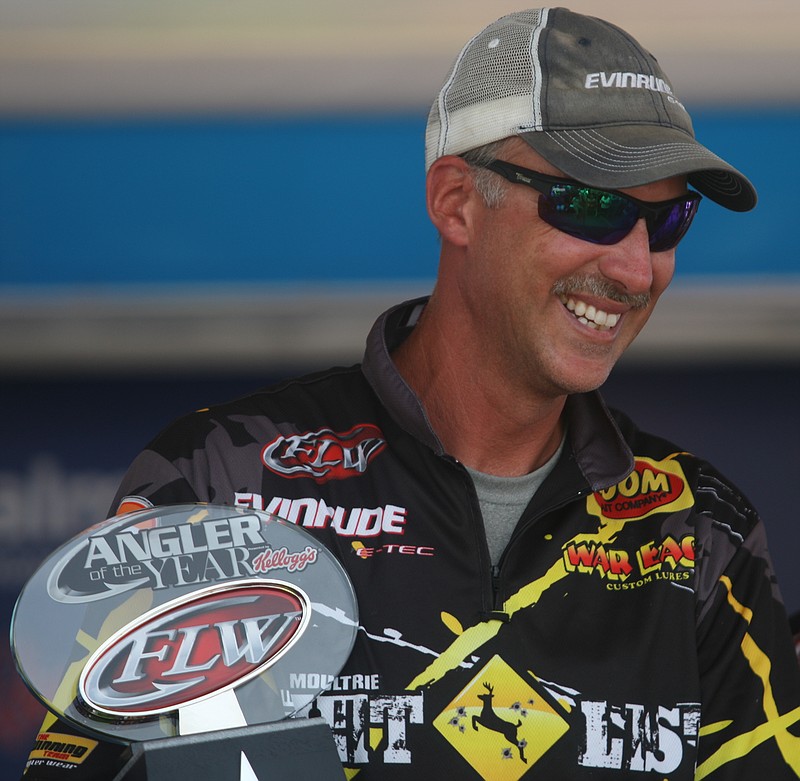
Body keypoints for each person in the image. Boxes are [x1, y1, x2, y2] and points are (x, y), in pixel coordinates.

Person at [20, 8, 800, 780]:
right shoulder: (222, 485)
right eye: (593, 206)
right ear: (455, 201)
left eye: (667, 221)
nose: (636, 269)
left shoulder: (700, 530)